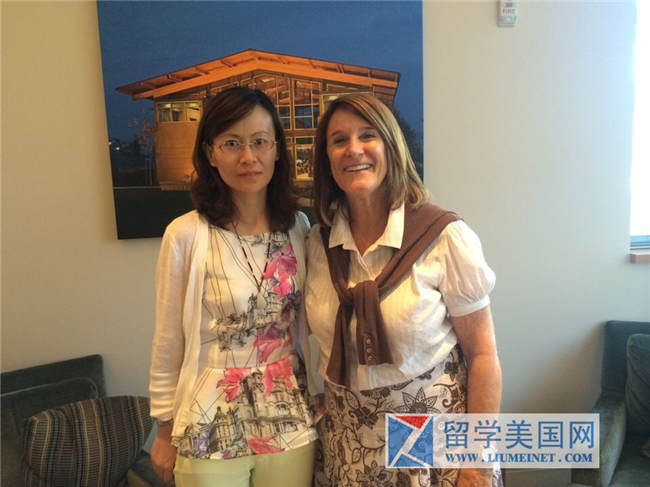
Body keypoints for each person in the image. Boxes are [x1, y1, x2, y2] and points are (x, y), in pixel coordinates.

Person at [304, 93, 502, 487]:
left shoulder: (443, 236)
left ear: (391, 146)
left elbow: (483, 355)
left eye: (368, 135)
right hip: (349, 446)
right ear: (327, 159)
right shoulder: (316, 245)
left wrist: (477, 465)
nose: (353, 149)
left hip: (431, 446)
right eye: (339, 140)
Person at [149, 87, 318, 487]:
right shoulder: (186, 234)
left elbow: (310, 325)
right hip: (209, 413)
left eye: (260, 141)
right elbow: (168, 338)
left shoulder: (297, 227)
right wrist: (163, 430)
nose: (248, 157)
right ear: (210, 153)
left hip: (288, 411)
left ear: (277, 150)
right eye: (231, 143)